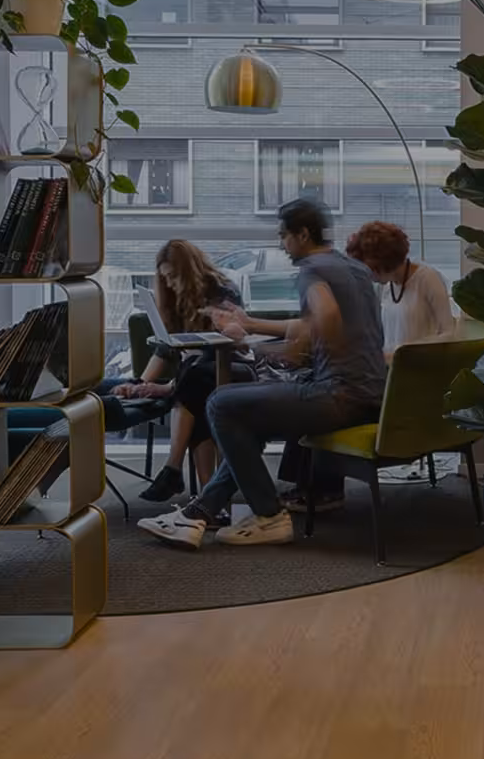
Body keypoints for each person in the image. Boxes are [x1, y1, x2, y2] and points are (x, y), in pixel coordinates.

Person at [140, 199, 386, 548]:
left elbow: (324, 318)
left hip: (337, 395)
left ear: (302, 234)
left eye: (284, 236)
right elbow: (320, 321)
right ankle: (200, 513)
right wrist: (249, 324)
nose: (281, 245)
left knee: (220, 403)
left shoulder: (312, 271)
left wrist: (276, 350)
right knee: (245, 414)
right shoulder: (354, 270)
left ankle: (269, 516)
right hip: (371, 394)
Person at [111, 240, 245, 504]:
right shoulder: (175, 300)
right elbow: (165, 349)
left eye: (173, 277)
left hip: (231, 368)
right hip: (195, 377)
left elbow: (217, 349)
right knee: (197, 397)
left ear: (188, 271)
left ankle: (174, 468)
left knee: (194, 383)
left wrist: (167, 388)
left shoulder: (223, 291)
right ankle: (208, 497)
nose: (169, 284)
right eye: (165, 278)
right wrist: (139, 384)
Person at [346, 220, 458, 352]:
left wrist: (407, 352)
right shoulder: (385, 286)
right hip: (391, 367)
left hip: (423, 366)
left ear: (384, 262)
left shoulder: (427, 278)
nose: (369, 275)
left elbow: (448, 334)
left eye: (371, 269)